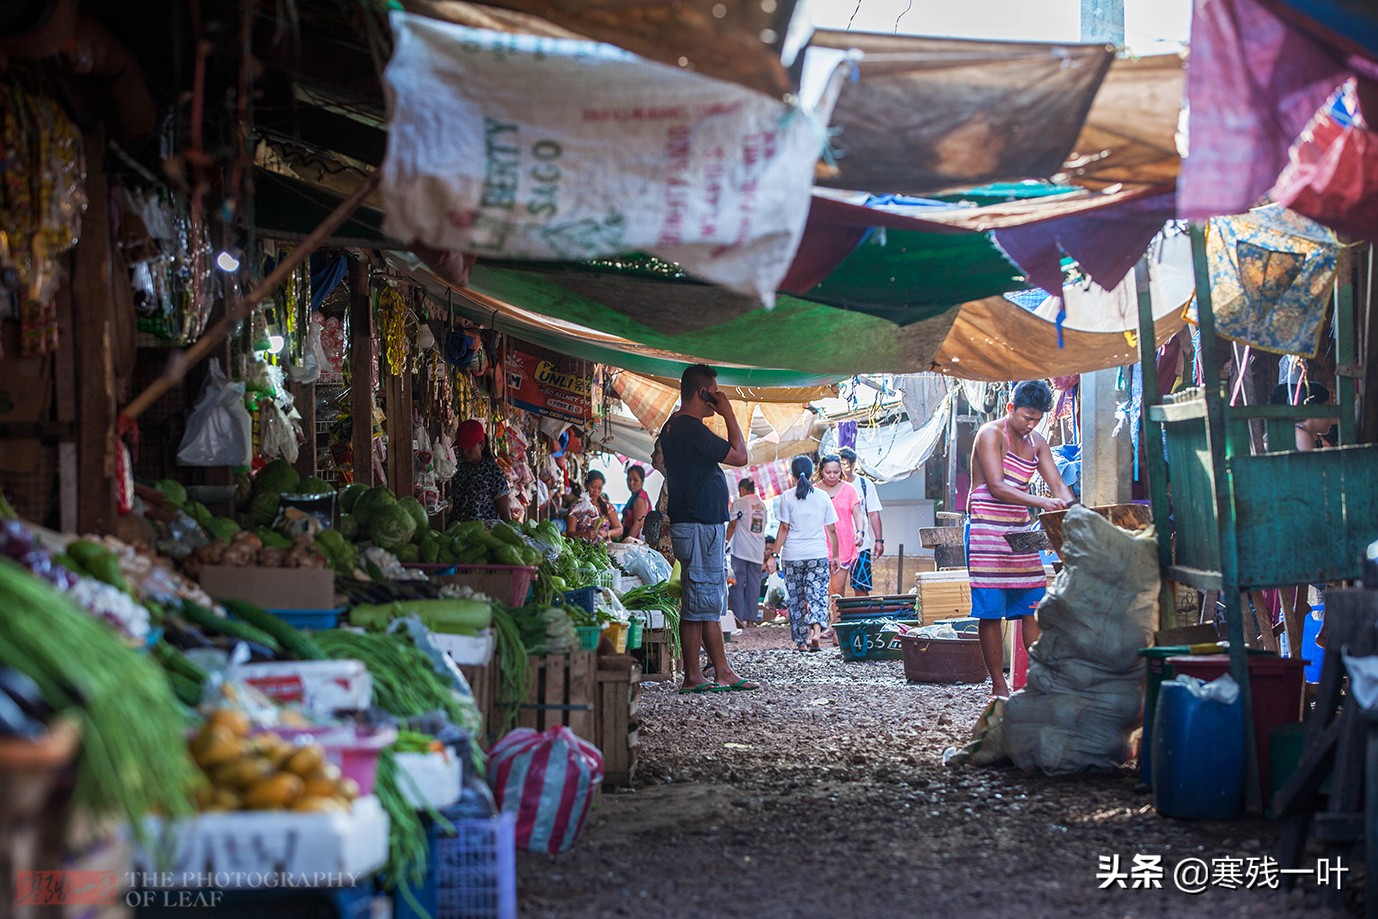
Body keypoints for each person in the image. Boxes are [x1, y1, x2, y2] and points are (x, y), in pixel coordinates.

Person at [967, 380, 1075, 700]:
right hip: (986, 530)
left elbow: (1057, 484)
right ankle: (999, 686)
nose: (1031, 424)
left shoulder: (1038, 442)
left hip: (1018, 532)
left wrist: (1073, 508)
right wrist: (1043, 504)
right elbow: (997, 487)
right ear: (1010, 408)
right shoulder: (990, 434)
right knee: (990, 612)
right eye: (1026, 417)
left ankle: (1038, 682)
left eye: (1037, 419)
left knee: (1031, 605)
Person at [659, 364, 759, 692]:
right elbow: (740, 455)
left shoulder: (673, 427)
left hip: (696, 521)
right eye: (713, 392)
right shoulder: (689, 427)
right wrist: (728, 412)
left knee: (702, 600)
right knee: (701, 600)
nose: (716, 398)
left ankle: (714, 671)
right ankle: (704, 673)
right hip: (699, 523)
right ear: (704, 393)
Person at [771, 455, 840, 652]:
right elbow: (832, 530)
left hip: (792, 556)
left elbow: (784, 528)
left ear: (792, 475)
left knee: (797, 599)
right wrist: (835, 556)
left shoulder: (787, 497)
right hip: (817, 554)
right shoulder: (823, 497)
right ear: (813, 474)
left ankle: (801, 642)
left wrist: (773, 555)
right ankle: (816, 632)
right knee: (817, 595)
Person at [814, 454, 864, 639]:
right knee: (819, 590)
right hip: (818, 545)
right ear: (821, 471)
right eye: (828, 472)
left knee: (837, 589)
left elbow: (858, 514)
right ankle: (821, 627)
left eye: (836, 472)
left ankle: (837, 628)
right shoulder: (814, 491)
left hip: (843, 545)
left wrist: (860, 532)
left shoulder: (849, 490)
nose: (832, 476)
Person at [449, 419, 516, 522]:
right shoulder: (458, 471)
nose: (465, 452)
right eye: (461, 448)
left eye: (469, 447)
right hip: (460, 534)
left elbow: (505, 515)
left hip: (486, 535)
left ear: (481, 445)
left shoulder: (493, 472)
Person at [838, 446, 884, 596]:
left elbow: (873, 514)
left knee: (861, 587)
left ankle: (861, 617)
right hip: (835, 546)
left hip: (860, 545)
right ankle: (836, 619)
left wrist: (879, 540)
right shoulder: (830, 487)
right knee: (836, 590)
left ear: (852, 465)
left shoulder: (865, 485)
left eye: (845, 464)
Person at [725, 478, 767, 628]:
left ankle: (739, 619)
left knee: (737, 584)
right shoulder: (762, 505)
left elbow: (732, 524)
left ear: (742, 489)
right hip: (757, 551)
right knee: (754, 585)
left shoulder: (739, 503)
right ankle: (751, 619)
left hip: (741, 550)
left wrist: (725, 543)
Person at [1268, 382, 1337, 452]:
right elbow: (1311, 463)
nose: (1332, 415)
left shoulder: (1297, 431)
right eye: (1328, 409)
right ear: (1316, 409)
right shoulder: (1302, 436)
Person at [568, 470, 623, 542]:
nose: (596, 491)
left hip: (605, 548)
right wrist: (584, 535)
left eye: (599, 488)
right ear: (586, 485)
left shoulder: (607, 507)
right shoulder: (575, 508)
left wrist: (607, 533)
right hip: (583, 549)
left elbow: (619, 529)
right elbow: (570, 533)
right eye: (593, 487)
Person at [621, 465, 652, 541]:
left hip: (635, 542)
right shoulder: (634, 497)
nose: (631, 483)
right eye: (629, 479)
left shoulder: (640, 499)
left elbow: (638, 525)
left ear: (642, 481)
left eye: (635, 480)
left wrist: (625, 543)